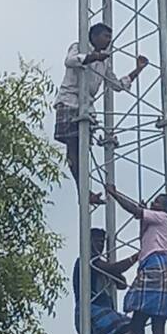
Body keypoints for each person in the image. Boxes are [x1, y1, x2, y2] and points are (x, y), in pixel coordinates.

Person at [54, 22, 149, 204]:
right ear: (95, 36)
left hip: (86, 106)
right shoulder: (79, 47)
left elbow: (116, 85)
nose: (108, 41)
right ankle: (83, 191)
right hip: (69, 101)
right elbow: (70, 61)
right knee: (73, 148)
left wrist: (138, 69)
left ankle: (85, 191)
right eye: (105, 37)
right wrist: (93, 57)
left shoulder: (105, 60)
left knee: (81, 150)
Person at [106, 187, 167, 334]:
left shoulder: (161, 217)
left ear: (164, 208)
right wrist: (143, 217)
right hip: (163, 272)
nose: (153, 204)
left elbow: (134, 210)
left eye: (157, 202)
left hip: (154, 268)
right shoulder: (163, 222)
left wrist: (115, 194)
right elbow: (144, 236)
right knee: (157, 329)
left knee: (137, 324)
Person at [74, 228, 139, 334]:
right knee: (131, 326)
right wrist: (135, 257)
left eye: (102, 242)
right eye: (97, 241)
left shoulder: (102, 265)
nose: (100, 245)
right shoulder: (87, 261)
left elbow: (121, 283)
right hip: (90, 309)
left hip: (101, 311)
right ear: (88, 241)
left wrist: (113, 272)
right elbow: (115, 269)